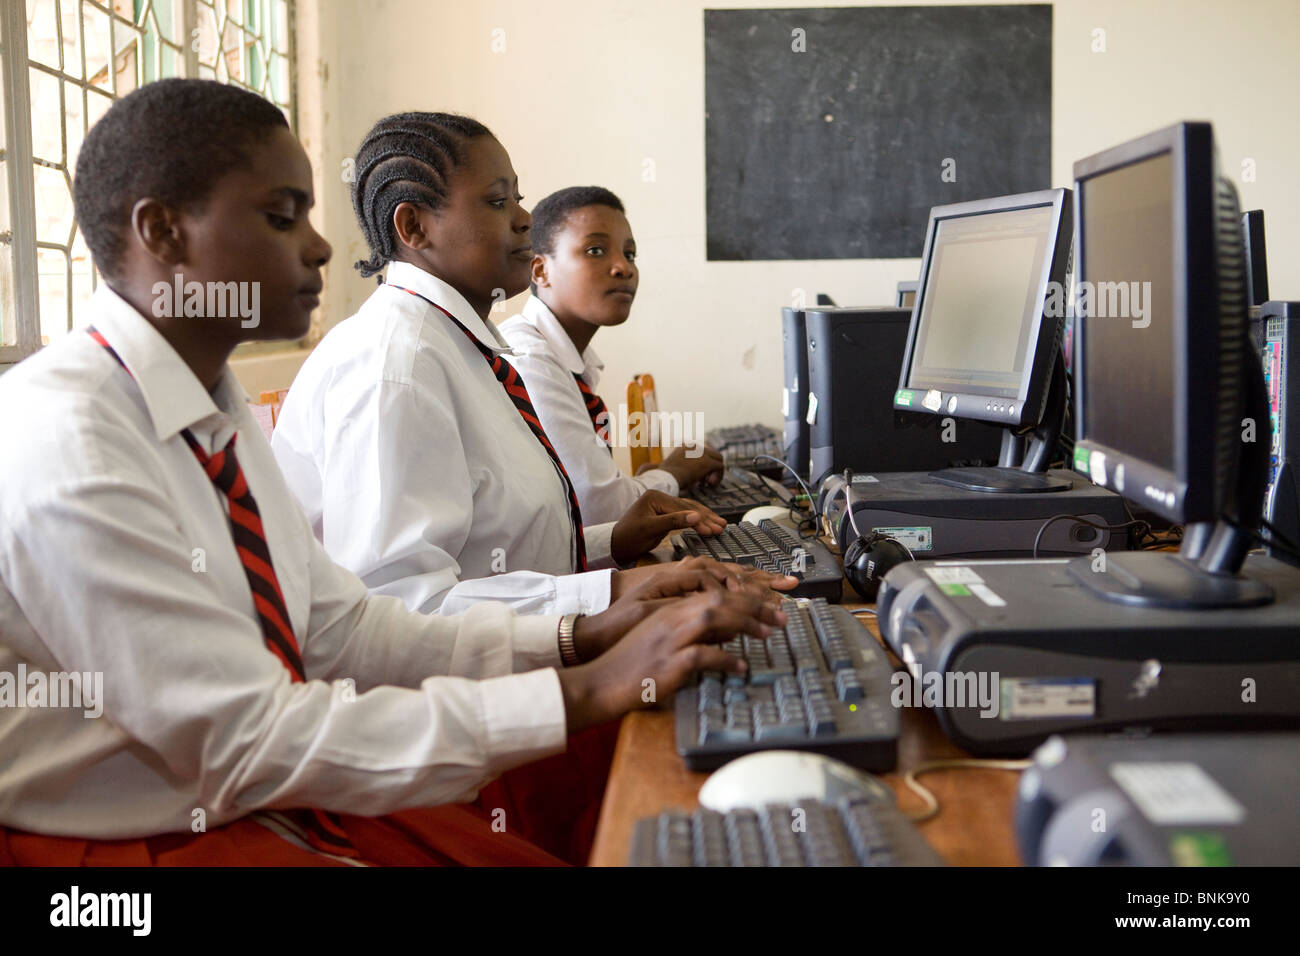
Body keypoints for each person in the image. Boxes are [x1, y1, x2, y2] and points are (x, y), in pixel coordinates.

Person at [0, 79, 784, 867]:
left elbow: (345, 625)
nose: (320, 247)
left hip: (273, 785)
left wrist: (583, 631)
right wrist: (584, 685)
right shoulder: (73, 436)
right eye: (282, 217)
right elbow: (243, 739)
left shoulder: (209, 401)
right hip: (133, 844)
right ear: (162, 233)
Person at [271, 114, 739, 618]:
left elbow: (490, 553)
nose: (525, 219)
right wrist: (614, 594)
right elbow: (406, 608)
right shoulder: (398, 368)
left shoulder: (467, 349)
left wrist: (611, 542)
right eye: (498, 202)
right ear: (413, 226)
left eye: (518, 198)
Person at [500, 186, 725, 525]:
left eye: (630, 254)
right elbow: (598, 510)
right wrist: (674, 473)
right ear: (540, 271)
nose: (623, 267)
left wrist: (657, 478)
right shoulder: (529, 361)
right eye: (595, 250)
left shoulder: (569, 359)